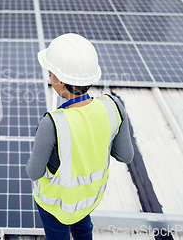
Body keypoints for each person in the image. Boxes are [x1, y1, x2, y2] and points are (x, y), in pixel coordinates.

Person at [26, 33, 134, 240]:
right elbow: (125, 156)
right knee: (84, 229)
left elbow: (34, 172)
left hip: (55, 205)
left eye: (50, 73)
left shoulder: (52, 123)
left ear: (57, 79)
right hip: (88, 199)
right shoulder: (113, 106)